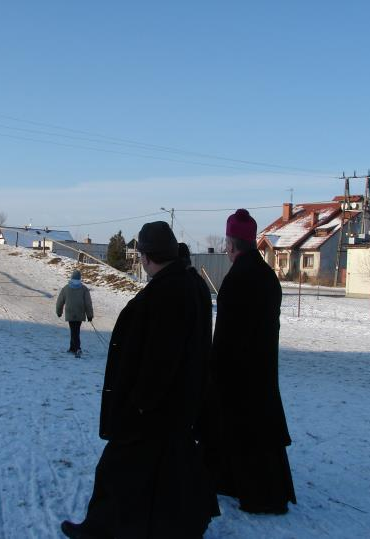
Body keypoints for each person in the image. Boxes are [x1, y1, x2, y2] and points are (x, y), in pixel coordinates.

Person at [61, 221, 219, 539]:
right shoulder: (189, 285)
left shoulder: (166, 294)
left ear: (146, 257)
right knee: (170, 467)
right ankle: (188, 522)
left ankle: (99, 530)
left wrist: (139, 404)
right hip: (177, 404)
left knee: (117, 469)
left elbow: (161, 359)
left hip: (153, 408)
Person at [201, 208, 296, 515]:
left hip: (237, 372)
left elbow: (226, 335)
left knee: (240, 433)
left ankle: (258, 495)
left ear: (231, 244)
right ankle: (243, 485)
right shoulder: (267, 276)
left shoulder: (236, 279)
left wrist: (214, 369)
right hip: (263, 368)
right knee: (259, 434)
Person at [56, 269, 94, 357]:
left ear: (71, 277)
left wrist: (59, 312)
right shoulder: (84, 289)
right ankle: (73, 348)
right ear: (80, 278)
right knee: (76, 330)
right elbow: (88, 303)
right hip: (80, 312)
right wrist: (90, 315)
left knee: (73, 330)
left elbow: (60, 301)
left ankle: (77, 348)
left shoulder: (66, 288)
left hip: (70, 312)